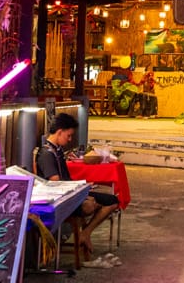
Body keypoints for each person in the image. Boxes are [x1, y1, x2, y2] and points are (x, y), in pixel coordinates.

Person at [37, 112, 121, 266]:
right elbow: (55, 182)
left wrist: (83, 187)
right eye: (68, 136)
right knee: (90, 204)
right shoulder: (46, 154)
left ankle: (86, 232)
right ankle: (85, 233)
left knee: (113, 201)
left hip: (71, 193)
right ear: (60, 132)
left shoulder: (58, 151)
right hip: (62, 199)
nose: (69, 140)